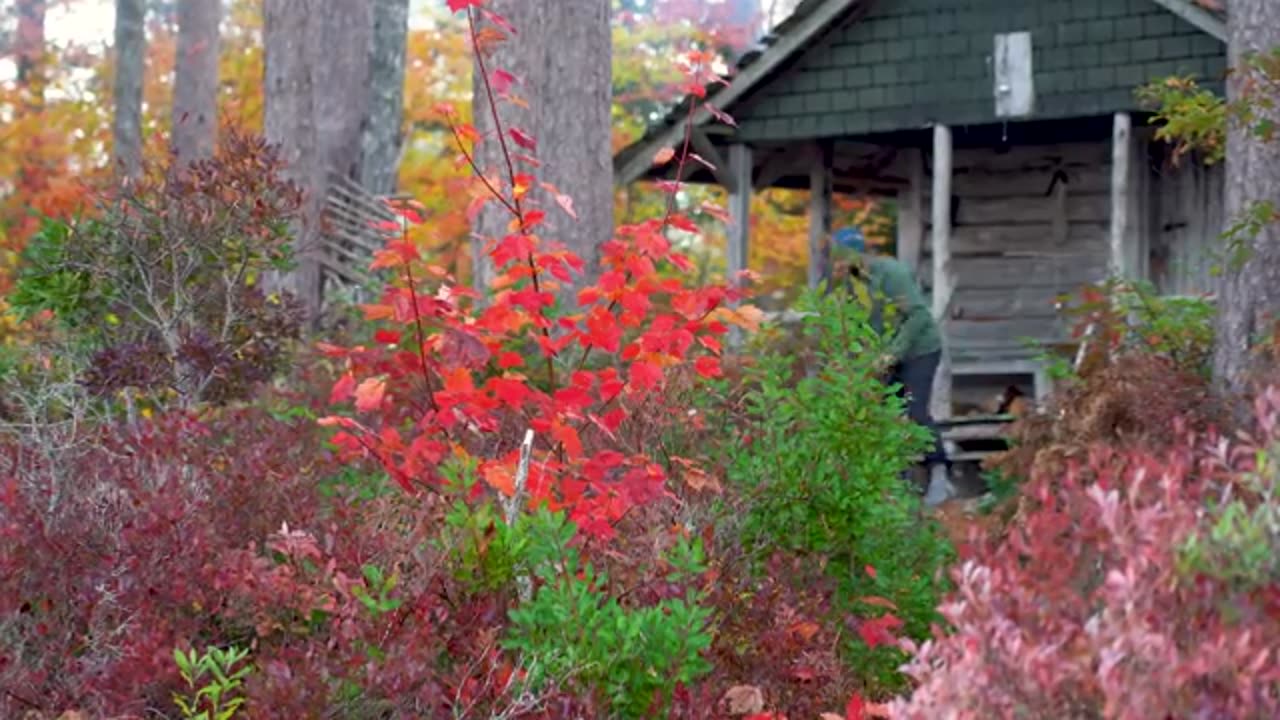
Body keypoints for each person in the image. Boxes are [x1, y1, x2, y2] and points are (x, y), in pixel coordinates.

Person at [830, 226, 952, 506]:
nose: (837, 264)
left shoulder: (892, 274)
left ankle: (940, 473)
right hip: (885, 354)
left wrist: (892, 354)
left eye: (842, 257)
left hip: (920, 349)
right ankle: (900, 484)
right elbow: (858, 325)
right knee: (885, 415)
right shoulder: (852, 284)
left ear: (856, 253)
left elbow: (919, 316)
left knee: (915, 409)